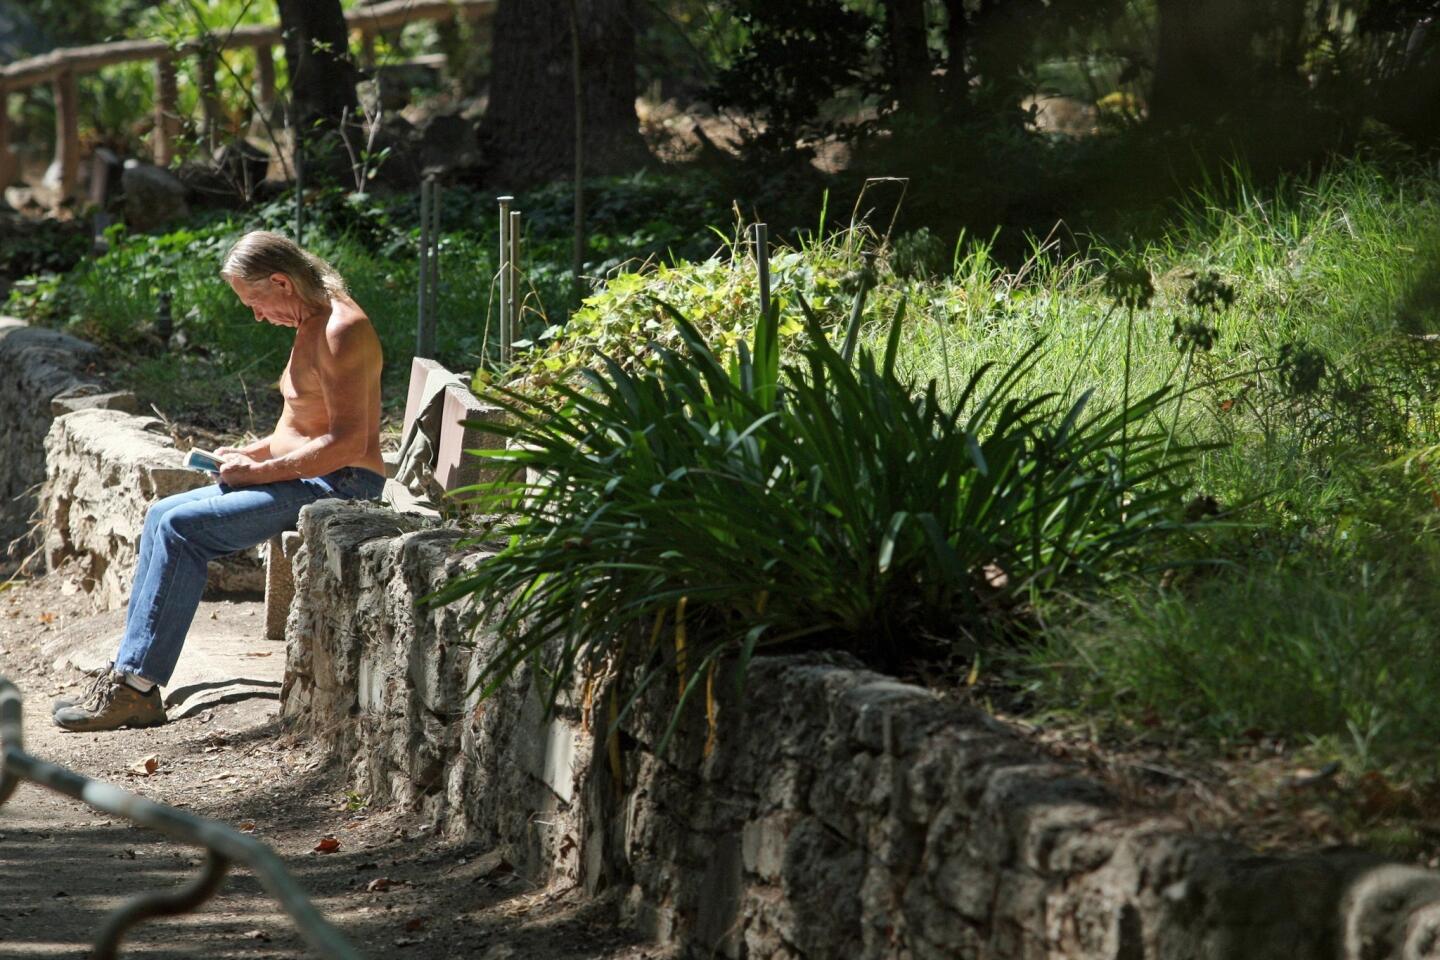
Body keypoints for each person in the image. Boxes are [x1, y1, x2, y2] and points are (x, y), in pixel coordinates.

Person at [53, 230, 386, 732]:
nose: (256, 314)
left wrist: (258, 473)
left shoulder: (343, 328)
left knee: (183, 529)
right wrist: (247, 454)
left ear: (281, 281)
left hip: (344, 484)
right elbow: (300, 425)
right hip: (313, 474)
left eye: (255, 300)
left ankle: (138, 689)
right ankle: (126, 672)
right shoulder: (311, 318)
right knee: (161, 513)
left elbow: (348, 442)